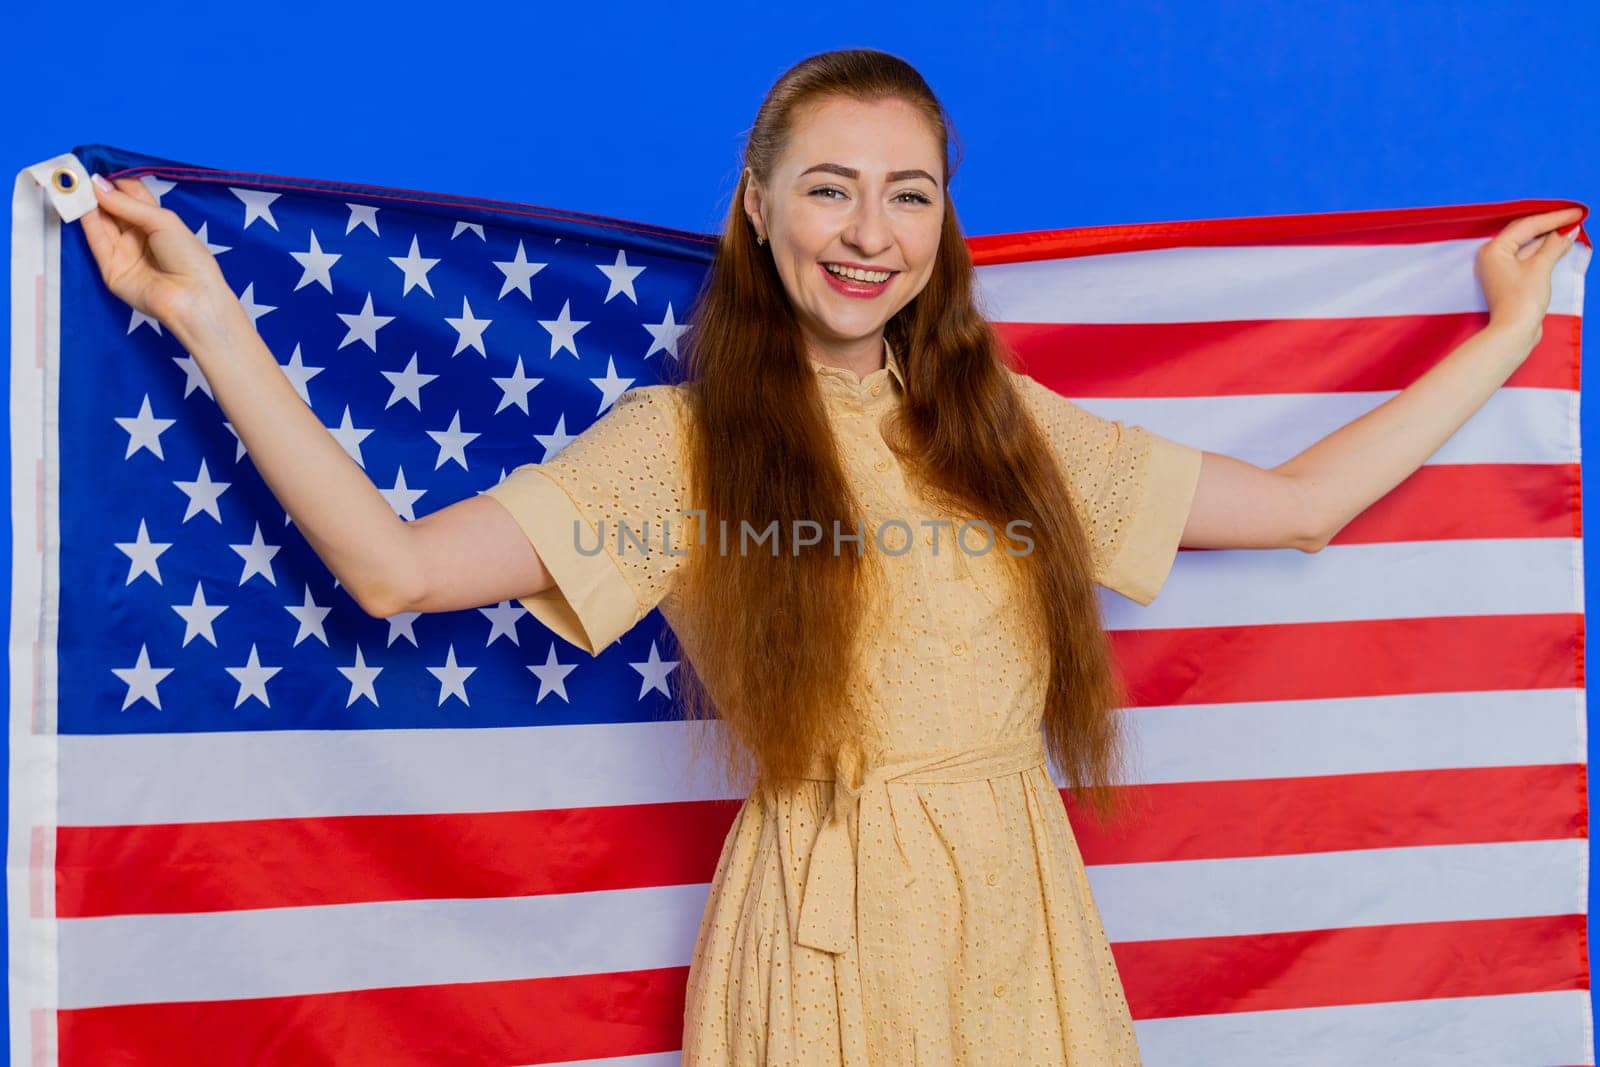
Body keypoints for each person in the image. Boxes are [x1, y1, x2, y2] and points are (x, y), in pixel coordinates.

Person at [79, 45, 1579, 1067]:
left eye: (908, 191)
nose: (871, 231)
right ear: (759, 207)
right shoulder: (680, 443)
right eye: (830, 186)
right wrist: (206, 316)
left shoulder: (1008, 430)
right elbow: (394, 572)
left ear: (944, 219)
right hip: (820, 941)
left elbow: (1302, 503)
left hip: (1023, 923)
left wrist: (1507, 334)